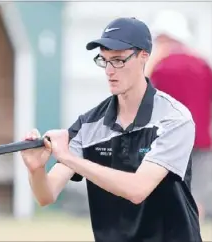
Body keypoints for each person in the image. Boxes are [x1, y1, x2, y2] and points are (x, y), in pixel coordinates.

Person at [20, 17, 202, 242]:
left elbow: (138, 189)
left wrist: (68, 157)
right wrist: (36, 168)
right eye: (104, 60)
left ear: (144, 56)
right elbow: (46, 195)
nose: (109, 71)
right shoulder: (88, 125)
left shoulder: (174, 119)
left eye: (118, 61)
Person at [145, 10, 212, 222]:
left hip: (170, 142)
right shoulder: (203, 64)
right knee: (195, 199)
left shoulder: (160, 67)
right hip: (201, 142)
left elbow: (141, 97)